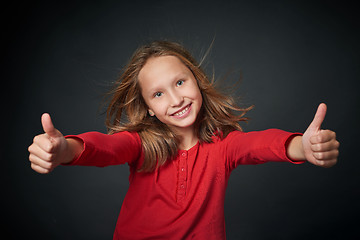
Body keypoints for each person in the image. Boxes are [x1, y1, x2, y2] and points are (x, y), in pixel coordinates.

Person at [28, 41, 339, 239]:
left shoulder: (224, 146)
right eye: (159, 94)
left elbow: (260, 145)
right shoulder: (139, 143)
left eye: (180, 82)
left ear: (197, 81)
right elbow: (105, 147)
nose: (176, 99)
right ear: (149, 107)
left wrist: (303, 146)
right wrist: (65, 149)